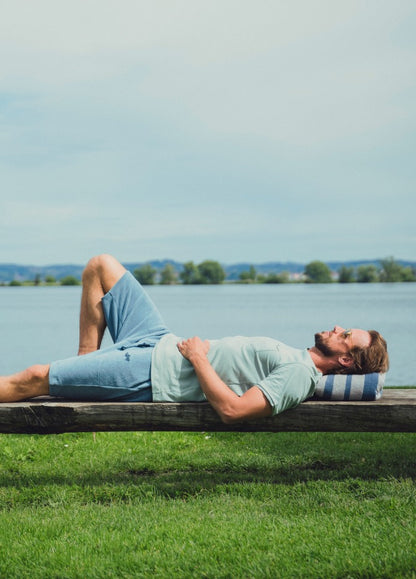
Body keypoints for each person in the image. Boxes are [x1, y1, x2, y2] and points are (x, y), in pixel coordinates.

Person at [0, 254, 389, 423]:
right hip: (159, 340)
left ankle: (76, 376)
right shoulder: (296, 356)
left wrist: (200, 357)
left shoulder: (300, 375)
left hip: (151, 372)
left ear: (345, 361)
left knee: (32, 378)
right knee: (101, 267)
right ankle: (83, 367)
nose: (337, 328)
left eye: (346, 336)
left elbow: (234, 411)